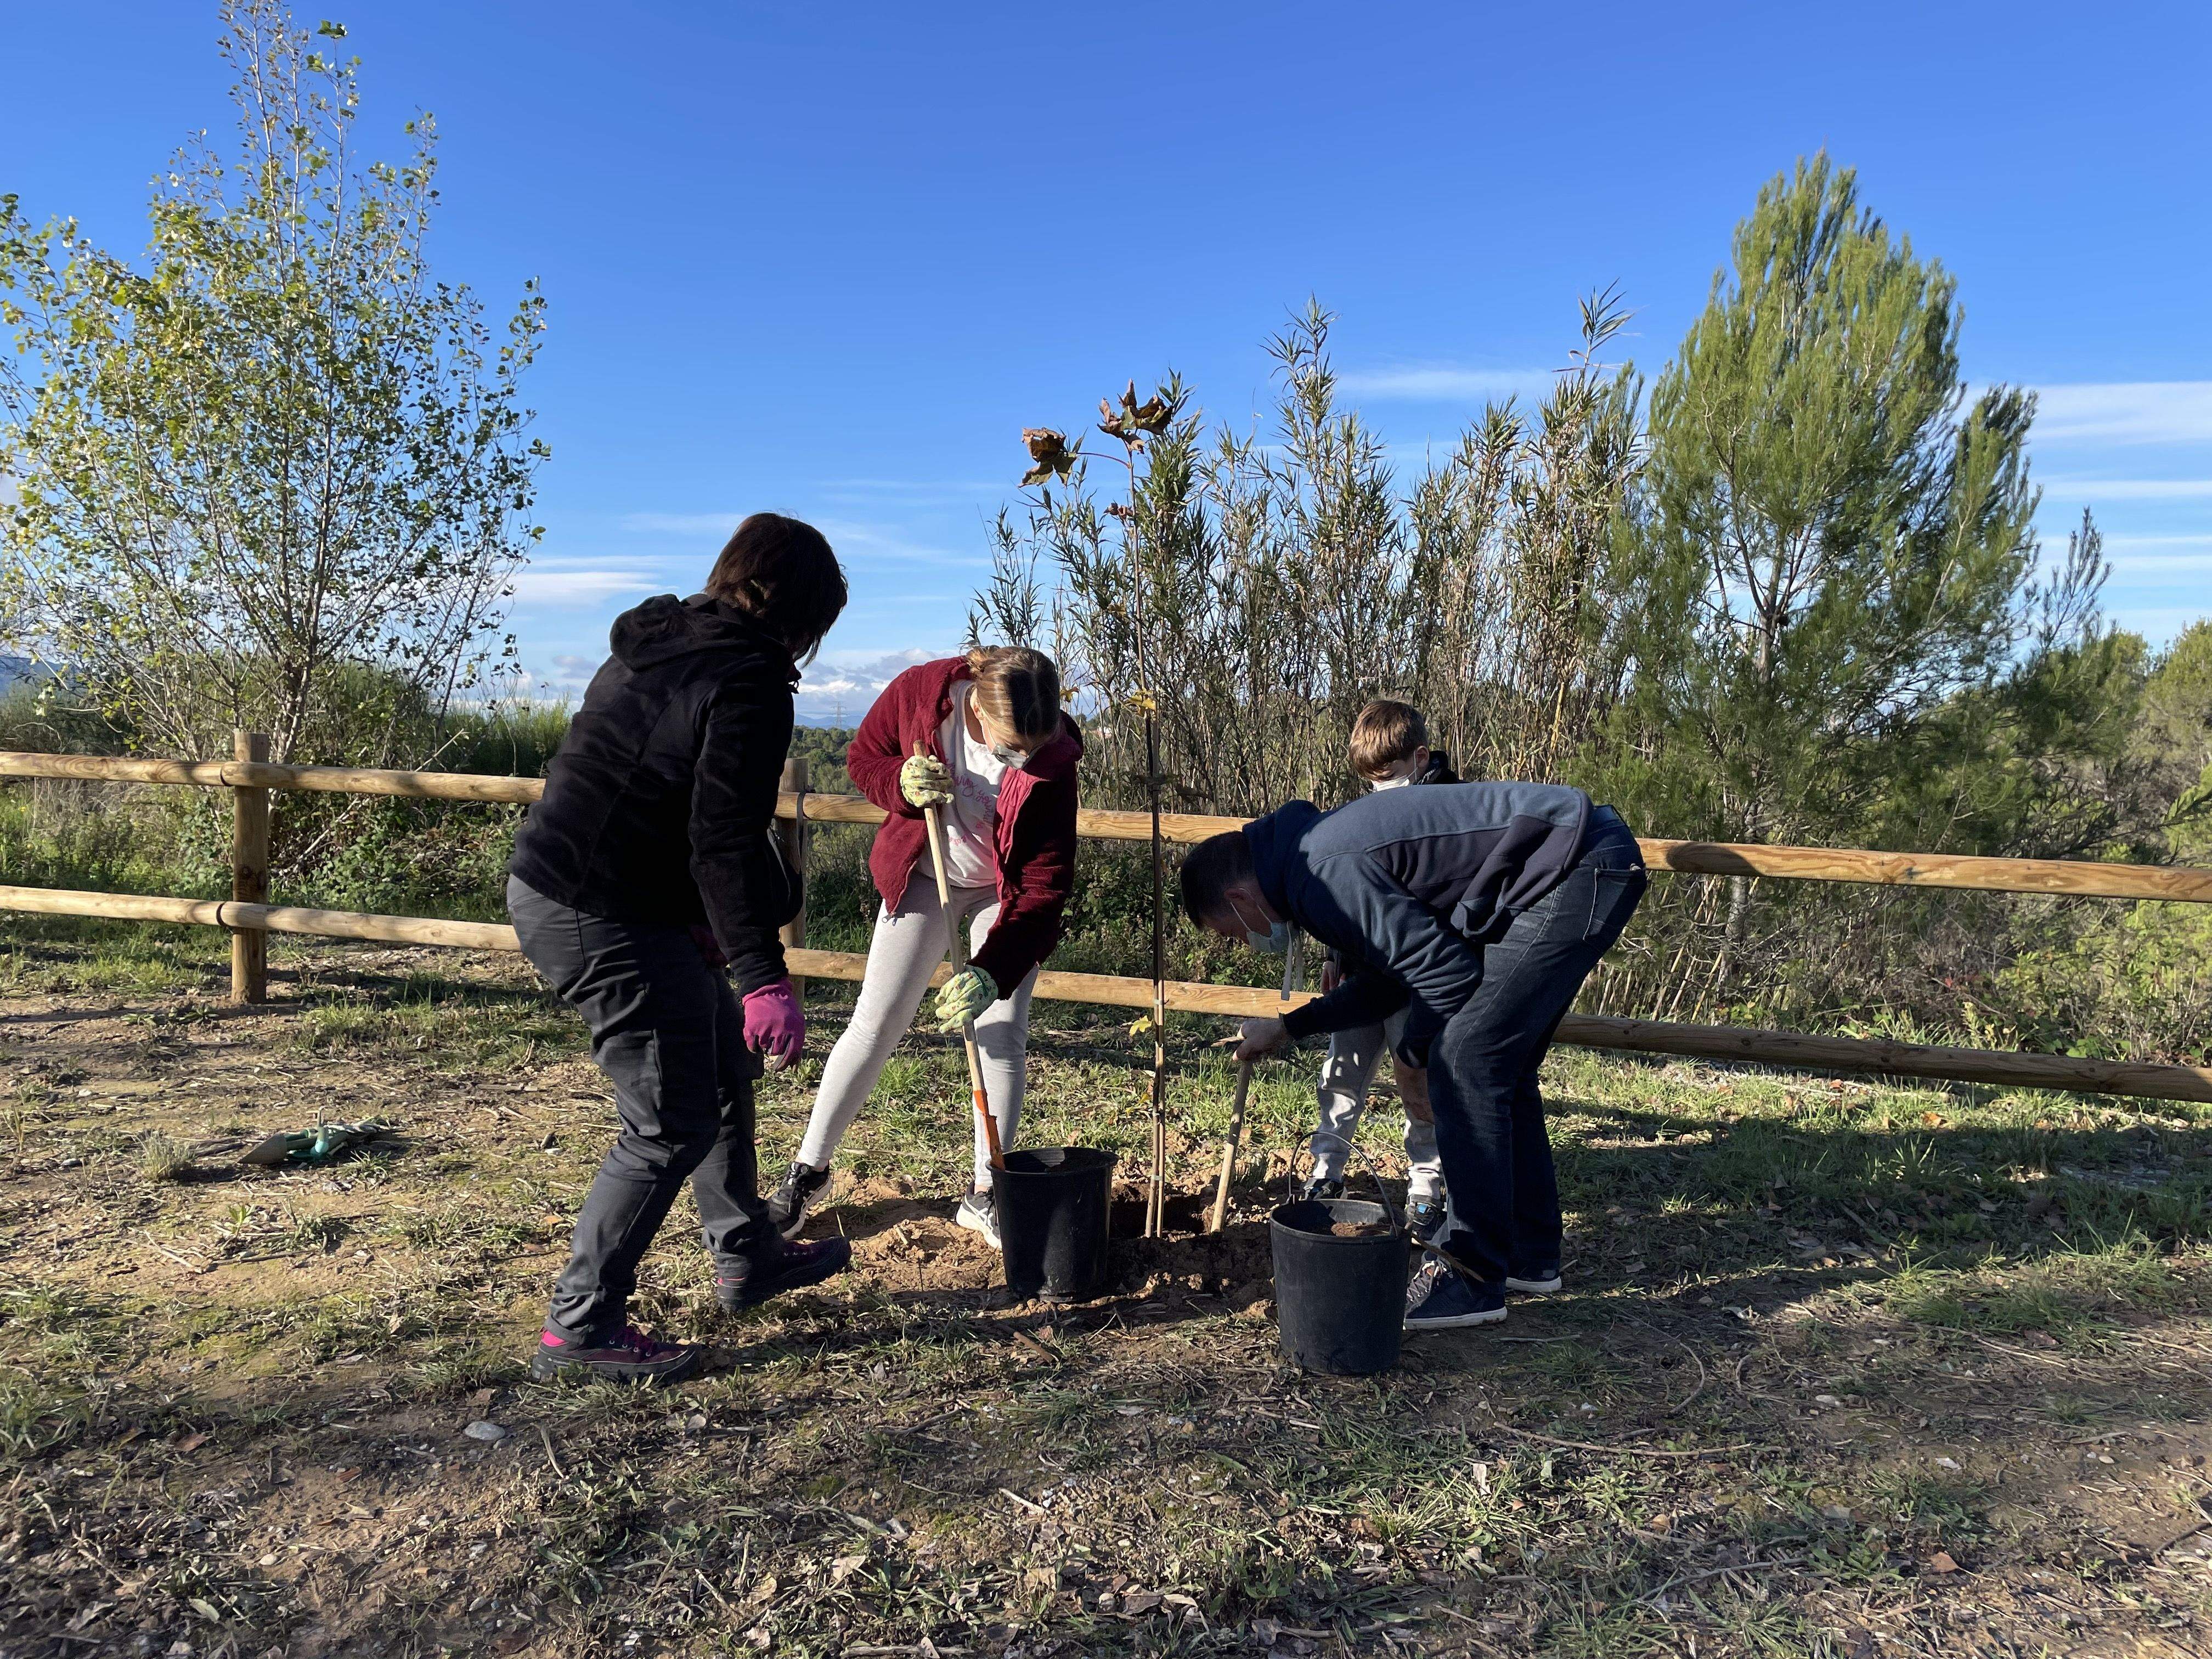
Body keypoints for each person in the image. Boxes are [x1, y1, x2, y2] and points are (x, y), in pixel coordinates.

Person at [506, 514, 855, 1384]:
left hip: (592, 889)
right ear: (800, 612)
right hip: (598, 908)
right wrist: (762, 973)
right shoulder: (747, 681)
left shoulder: (657, 643)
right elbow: (723, 837)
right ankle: (580, 1328)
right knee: (667, 1122)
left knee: (718, 1061)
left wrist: (708, 932)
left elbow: (651, 795)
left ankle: (747, 1254)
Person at [1180, 777, 1645, 1331]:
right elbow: (1391, 981)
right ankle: (1528, 1254)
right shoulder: (1307, 861)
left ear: (1239, 899)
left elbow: (1446, 975)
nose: (1243, 944)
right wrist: (1290, 1027)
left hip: (1574, 864)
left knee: (1466, 1064)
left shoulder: (1320, 873)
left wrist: (1412, 1057)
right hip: (1584, 854)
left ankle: (1473, 1277)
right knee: (1498, 1067)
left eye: (1231, 935)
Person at [769, 647, 1080, 1248]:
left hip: (1003, 893)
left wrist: (995, 970)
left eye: (1033, 750)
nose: (1023, 761)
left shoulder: (1054, 757)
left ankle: (989, 1190)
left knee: (1002, 1032)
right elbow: (865, 761)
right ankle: (808, 1172)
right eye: (1011, 747)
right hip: (925, 873)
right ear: (980, 710)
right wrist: (902, 787)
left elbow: (1045, 883)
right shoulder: (920, 696)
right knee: (875, 1023)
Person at [1301, 700, 1458, 1243]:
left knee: (1419, 1086)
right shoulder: (1368, 815)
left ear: (1419, 758)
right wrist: (1334, 956)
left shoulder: (1447, 817)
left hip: (1417, 985)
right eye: (1371, 783)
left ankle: (1425, 1184)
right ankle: (1325, 1173)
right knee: (1341, 1076)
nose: (1380, 794)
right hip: (1361, 977)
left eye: (1389, 779)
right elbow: (1349, 894)